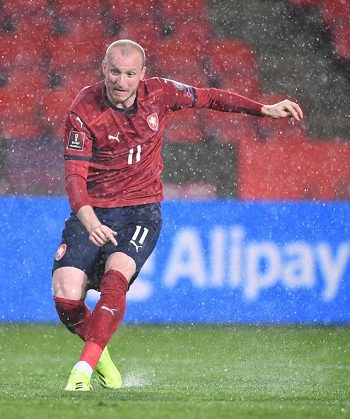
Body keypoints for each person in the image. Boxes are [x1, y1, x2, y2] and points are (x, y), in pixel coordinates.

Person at [51, 39, 303, 391]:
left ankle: (82, 369)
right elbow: (74, 177)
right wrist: (90, 222)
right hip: (94, 210)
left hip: (140, 209)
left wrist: (264, 109)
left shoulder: (162, 93)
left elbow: (210, 97)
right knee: (65, 297)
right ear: (103, 69)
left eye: (129, 74)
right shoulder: (84, 109)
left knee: (115, 279)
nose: (121, 81)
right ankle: (103, 360)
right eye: (114, 72)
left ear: (142, 74)